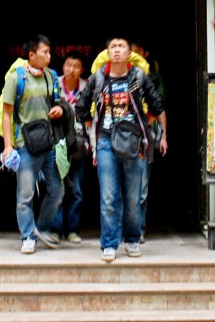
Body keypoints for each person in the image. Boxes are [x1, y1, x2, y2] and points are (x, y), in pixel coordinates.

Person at [77, 35, 166, 262]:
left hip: (134, 144)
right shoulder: (99, 78)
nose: (117, 50)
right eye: (113, 46)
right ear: (107, 52)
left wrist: (141, 125)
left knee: (133, 197)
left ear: (129, 53)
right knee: (109, 197)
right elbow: (81, 107)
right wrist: (92, 128)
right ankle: (109, 243)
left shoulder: (138, 77)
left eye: (121, 46)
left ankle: (132, 240)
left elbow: (156, 105)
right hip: (106, 142)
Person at [1, 35, 64, 254]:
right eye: (45, 52)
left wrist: (59, 109)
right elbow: (7, 114)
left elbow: (58, 101)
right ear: (31, 54)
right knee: (25, 195)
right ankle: (27, 236)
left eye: (49, 52)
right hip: (25, 145)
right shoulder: (16, 78)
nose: (49, 56)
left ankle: (41, 228)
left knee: (57, 190)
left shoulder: (51, 76)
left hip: (48, 143)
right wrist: (8, 146)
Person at [49, 50, 89, 244]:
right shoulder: (54, 84)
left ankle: (72, 229)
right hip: (56, 142)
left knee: (76, 189)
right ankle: (55, 230)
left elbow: (92, 117)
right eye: (68, 65)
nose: (71, 70)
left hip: (78, 144)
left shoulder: (87, 87)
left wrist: (92, 143)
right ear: (63, 66)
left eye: (76, 66)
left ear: (82, 69)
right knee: (56, 188)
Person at [131, 39, 166, 244]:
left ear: (145, 54)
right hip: (121, 139)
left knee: (141, 187)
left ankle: (138, 229)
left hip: (145, 138)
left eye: (137, 52)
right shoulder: (116, 76)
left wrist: (163, 136)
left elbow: (159, 107)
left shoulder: (152, 77)